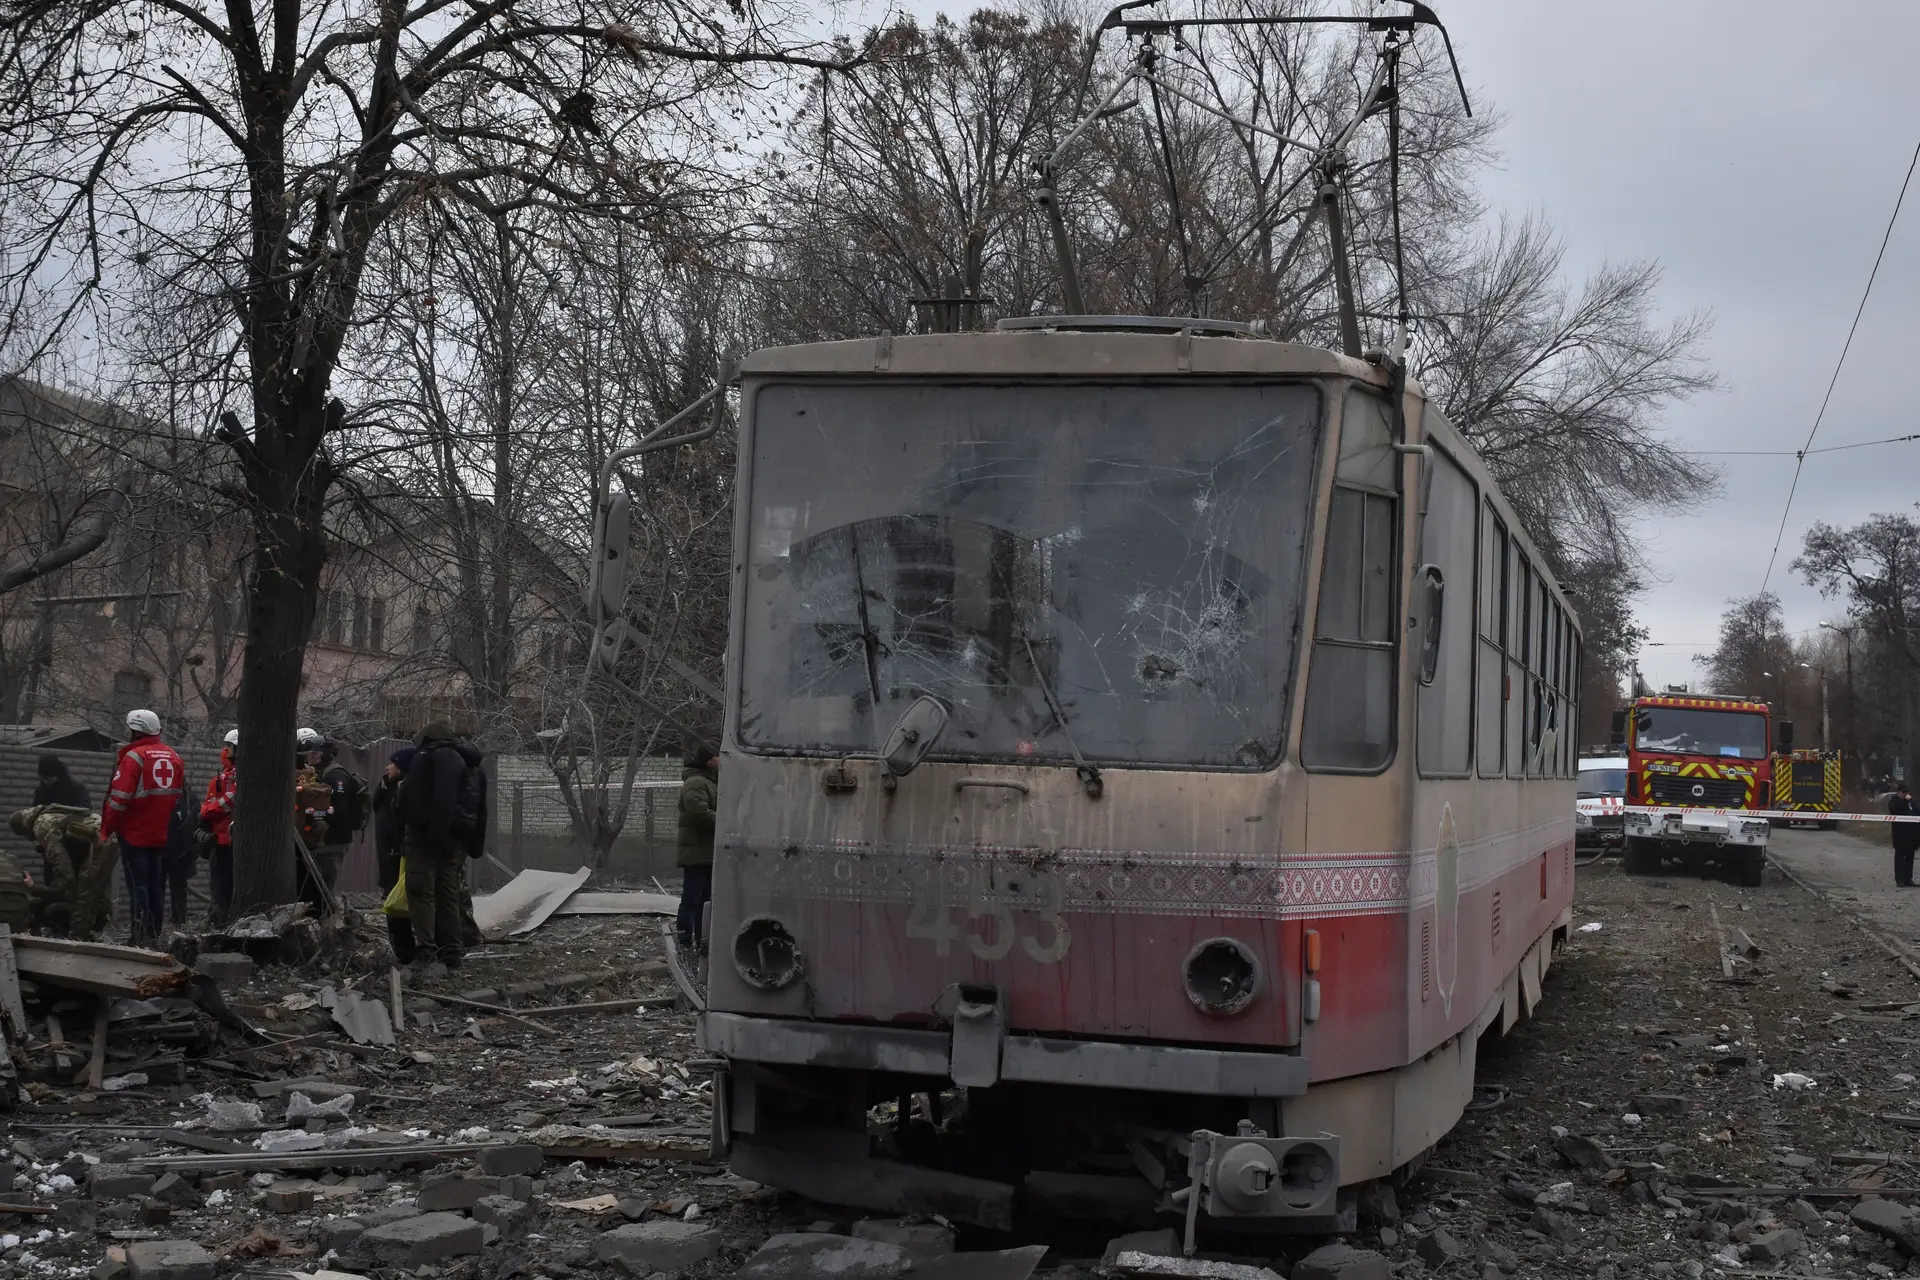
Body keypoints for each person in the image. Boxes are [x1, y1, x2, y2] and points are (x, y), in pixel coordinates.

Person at [400, 721, 486, 975]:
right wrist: (475, 843)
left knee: (420, 890)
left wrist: (434, 834)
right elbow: (481, 809)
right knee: (448, 893)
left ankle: (426, 950)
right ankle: (452, 951)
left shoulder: (434, 756)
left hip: (427, 837)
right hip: (457, 839)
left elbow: (441, 797)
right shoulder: (472, 764)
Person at [101, 709, 184, 947]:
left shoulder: (134, 758)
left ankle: (140, 938)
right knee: (155, 884)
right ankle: (154, 933)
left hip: (134, 834)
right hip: (160, 833)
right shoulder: (174, 756)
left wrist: (107, 829)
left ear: (135, 730)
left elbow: (118, 800)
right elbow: (177, 796)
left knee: (138, 886)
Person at [305, 738, 367, 900]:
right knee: (316, 883)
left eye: (315, 753)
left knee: (323, 884)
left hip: (333, 841)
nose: (310, 756)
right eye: (309, 752)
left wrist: (315, 815)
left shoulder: (335, 776)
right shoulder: (318, 773)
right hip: (324, 839)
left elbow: (338, 811)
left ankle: (326, 918)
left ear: (326, 755)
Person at [373, 747, 416, 963]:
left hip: (398, 855)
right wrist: (384, 785)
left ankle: (405, 951)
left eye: (392, 764)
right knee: (392, 902)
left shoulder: (406, 790)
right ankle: (401, 948)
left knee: (398, 904)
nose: (387, 767)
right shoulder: (388, 788)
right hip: (388, 855)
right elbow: (375, 806)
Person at [676, 746, 718, 950]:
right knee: (692, 898)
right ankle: (684, 940)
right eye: (718, 757)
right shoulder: (696, 783)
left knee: (705, 900)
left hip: (706, 851)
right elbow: (698, 812)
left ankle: (703, 941)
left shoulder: (708, 782)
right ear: (709, 761)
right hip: (696, 851)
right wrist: (726, 821)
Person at [200, 731, 238, 924]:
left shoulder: (238, 775)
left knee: (224, 885)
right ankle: (217, 918)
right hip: (219, 836)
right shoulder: (225, 775)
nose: (225, 749)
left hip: (228, 839)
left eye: (229, 746)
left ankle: (223, 922)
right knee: (217, 884)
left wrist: (206, 811)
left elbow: (229, 801)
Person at [161, 767, 199, 930]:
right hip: (163, 850)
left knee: (179, 889)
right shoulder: (163, 797)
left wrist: (191, 852)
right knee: (160, 888)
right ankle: (157, 924)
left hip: (180, 852)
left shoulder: (189, 798)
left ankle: (179, 921)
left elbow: (194, 824)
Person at [1894, 781, 1919, 888]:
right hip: (1900, 835)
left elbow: (1917, 812)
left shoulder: (1911, 802)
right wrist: (1904, 801)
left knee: (1910, 858)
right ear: (1898, 792)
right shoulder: (1894, 801)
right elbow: (1896, 810)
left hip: (1911, 835)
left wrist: (1912, 802)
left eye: (1906, 792)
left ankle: (1908, 879)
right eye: (1903, 792)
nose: (1905, 794)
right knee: (1899, 858)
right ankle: (1899, 879)